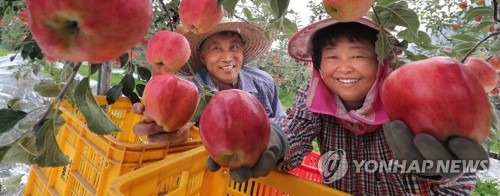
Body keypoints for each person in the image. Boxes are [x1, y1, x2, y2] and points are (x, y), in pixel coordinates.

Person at [207, 17, 489, 194]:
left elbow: (460, 177)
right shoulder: (316, 97)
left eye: (357, 56)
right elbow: (296, 126)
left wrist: (438, 171)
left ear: (380, 61)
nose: (344, 68)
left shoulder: (408, 99)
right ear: (318, 65)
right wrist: (274, 140)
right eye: (331, 58)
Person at [133, 19, 286, 142]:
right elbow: (183, 129)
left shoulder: (263, 83)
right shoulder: (189, 93)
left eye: (234, 47)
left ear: (242, 52)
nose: (227, 58)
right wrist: (175, 128)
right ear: (202, 57)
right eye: (216, 48)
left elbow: (284, 126)